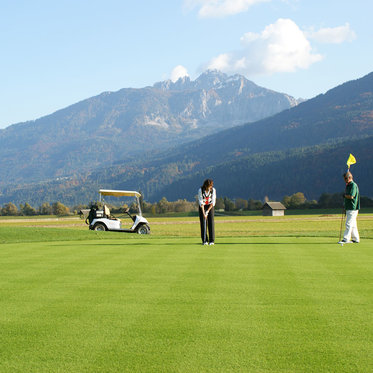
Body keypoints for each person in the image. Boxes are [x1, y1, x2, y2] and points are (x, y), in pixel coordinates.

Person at [339, 171, 360, 244]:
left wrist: (344, 195)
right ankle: (355, 238)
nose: (344, 180)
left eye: (345, 178)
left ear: (349, 178)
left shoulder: (353, 185)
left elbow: (351, 196)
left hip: (352, 207)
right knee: (353, 224)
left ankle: (346, 239)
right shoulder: (348, 185)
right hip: (349, 207)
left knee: (348, 223)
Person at [198, 179, 216, 245]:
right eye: (209, 186)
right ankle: (204, 240)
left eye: (211, 186)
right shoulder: (200, 190)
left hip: (210, 206)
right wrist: (204, 213)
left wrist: (208, 211)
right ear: (206, 185)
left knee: (211, 222)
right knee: (203, 222)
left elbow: (213, 202)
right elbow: (201, 202)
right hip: (203, 206)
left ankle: (211, 240)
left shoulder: (213, 190)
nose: (210, 187)